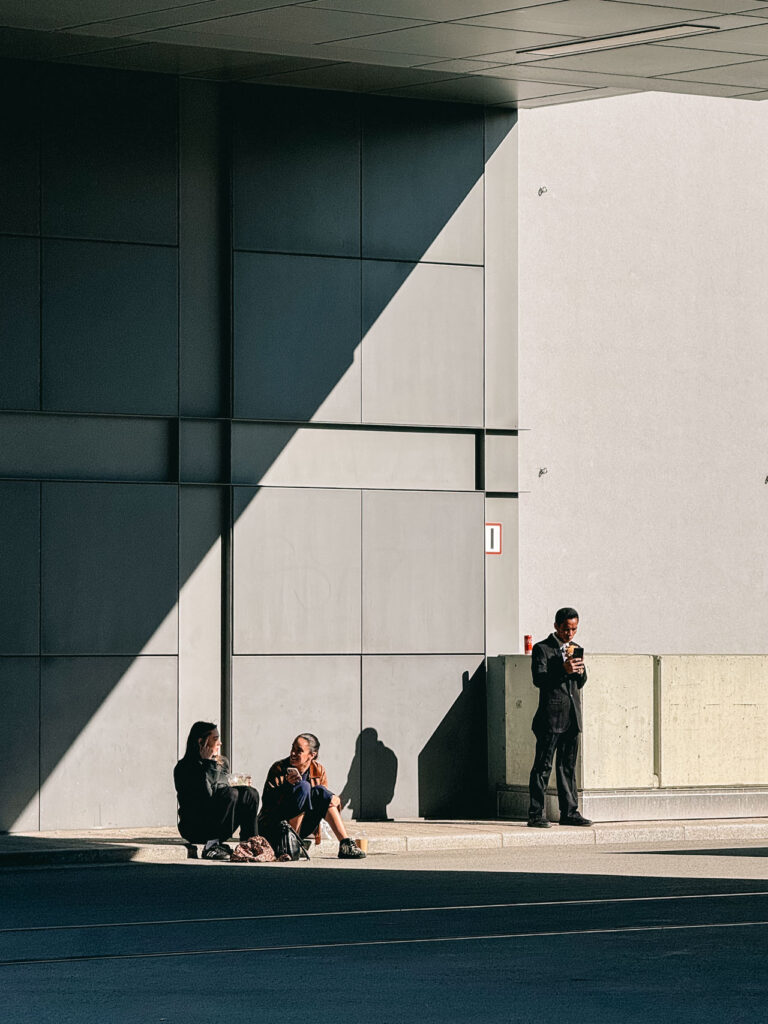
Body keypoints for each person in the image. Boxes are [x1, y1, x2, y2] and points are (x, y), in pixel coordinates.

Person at [527, 607, 593, 829]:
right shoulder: (542, 649)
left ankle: (570, 812)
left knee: (567, 767)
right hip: (550, 718)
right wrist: (563, 669)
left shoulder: (575, 649)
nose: (570, 634)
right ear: (556, 626)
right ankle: (536, 813)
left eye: (574, 629)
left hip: (572, 717)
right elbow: (539, 679)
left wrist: (580, 671)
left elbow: (580, 683)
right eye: (566, 629)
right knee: (543, 767)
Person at [259, 733, 365, 859]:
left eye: (299, 751)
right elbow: (268, 802)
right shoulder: (278, 768)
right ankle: (292, 844)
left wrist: (332, 797)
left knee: (321, 792)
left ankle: (345, 844)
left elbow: (324, 801)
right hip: (275, 825)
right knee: (304, 786)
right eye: (292, 748)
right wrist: (287, 786)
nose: (293, 753)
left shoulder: (318, 770)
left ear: (312, 755)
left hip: (305, 824)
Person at [174, 721, 260, 860]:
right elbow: (205, 796)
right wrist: (208, 764)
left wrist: (240, 785)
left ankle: (250, 843)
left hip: (221, 823)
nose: (220, 743)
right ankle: (211, 846)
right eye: (215, 739)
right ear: (201, 742)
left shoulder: (221, 762)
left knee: (250, 793)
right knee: (230, 793)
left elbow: (223, 787)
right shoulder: (185, 767)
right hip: (195, 827)